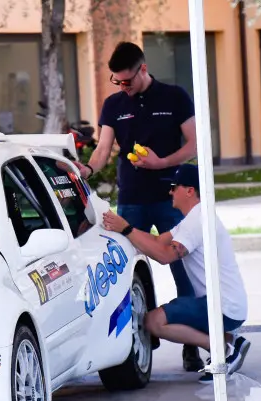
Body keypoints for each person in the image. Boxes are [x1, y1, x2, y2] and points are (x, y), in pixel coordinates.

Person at [74, 41, 203, 372]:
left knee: (183, 270)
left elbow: (194, 144)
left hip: (170, 200)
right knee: (127, 273)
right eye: (117, 82)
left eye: (127, 81)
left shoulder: (174, 97)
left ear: (143, 69)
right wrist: (87, 169)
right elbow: (103, 149)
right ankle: (139, 338)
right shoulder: (113, 105)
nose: (123, 87)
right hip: (131, 200)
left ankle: (193, 343)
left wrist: (162, 164)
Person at [101, 164, 251, 382]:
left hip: (222, 306)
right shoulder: (194, 217)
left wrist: (126, 229)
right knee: (163, 316)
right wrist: (121, 231)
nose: (170, 192)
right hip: (224, 303)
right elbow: (157, 240)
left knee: (154, 322)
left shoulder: (197, 222)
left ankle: (223, 350)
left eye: (174, 187)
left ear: (190, 190)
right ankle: (230, 341)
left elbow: (164, 256)